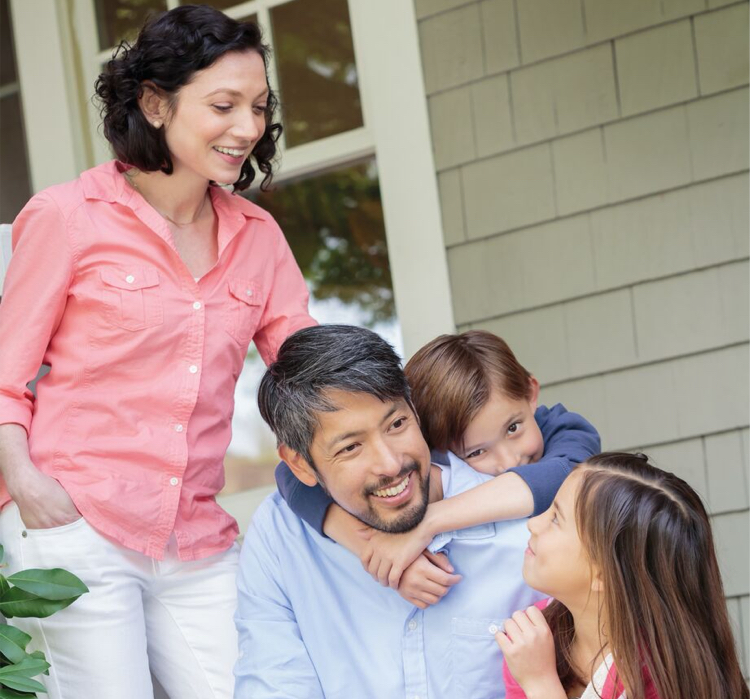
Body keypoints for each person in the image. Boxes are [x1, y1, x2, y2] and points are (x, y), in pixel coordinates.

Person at [0, 6, 314, 699]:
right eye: (224, 105)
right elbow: (4, 376)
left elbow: (313, 372)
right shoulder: (68, 217)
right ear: (154, 102)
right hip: (78, 522)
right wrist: (26, 483)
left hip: (197, 537)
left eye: (258, 107)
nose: (247, 127)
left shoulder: (257, 238)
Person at [235, 324, 543, 698]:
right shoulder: (281, 536)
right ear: (299, 465)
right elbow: (274, 683)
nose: (391, 463)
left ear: (415, 410)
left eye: (396, 424)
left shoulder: (530, 529)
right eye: (351, 447)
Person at [275, 330, 600, 606]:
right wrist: (372, 547)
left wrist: (428, 524)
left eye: (514, 429)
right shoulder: (429, 460)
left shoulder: (563, 431)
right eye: (475, 452)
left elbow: (564, 475)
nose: (508, 461)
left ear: (530, 394)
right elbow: (290, 477)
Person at [497, 452, 749, 699]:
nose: (533, 523)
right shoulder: (536, 636)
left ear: (604, 573)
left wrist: (541, 684)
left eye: (555, 519)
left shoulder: (664, 678)